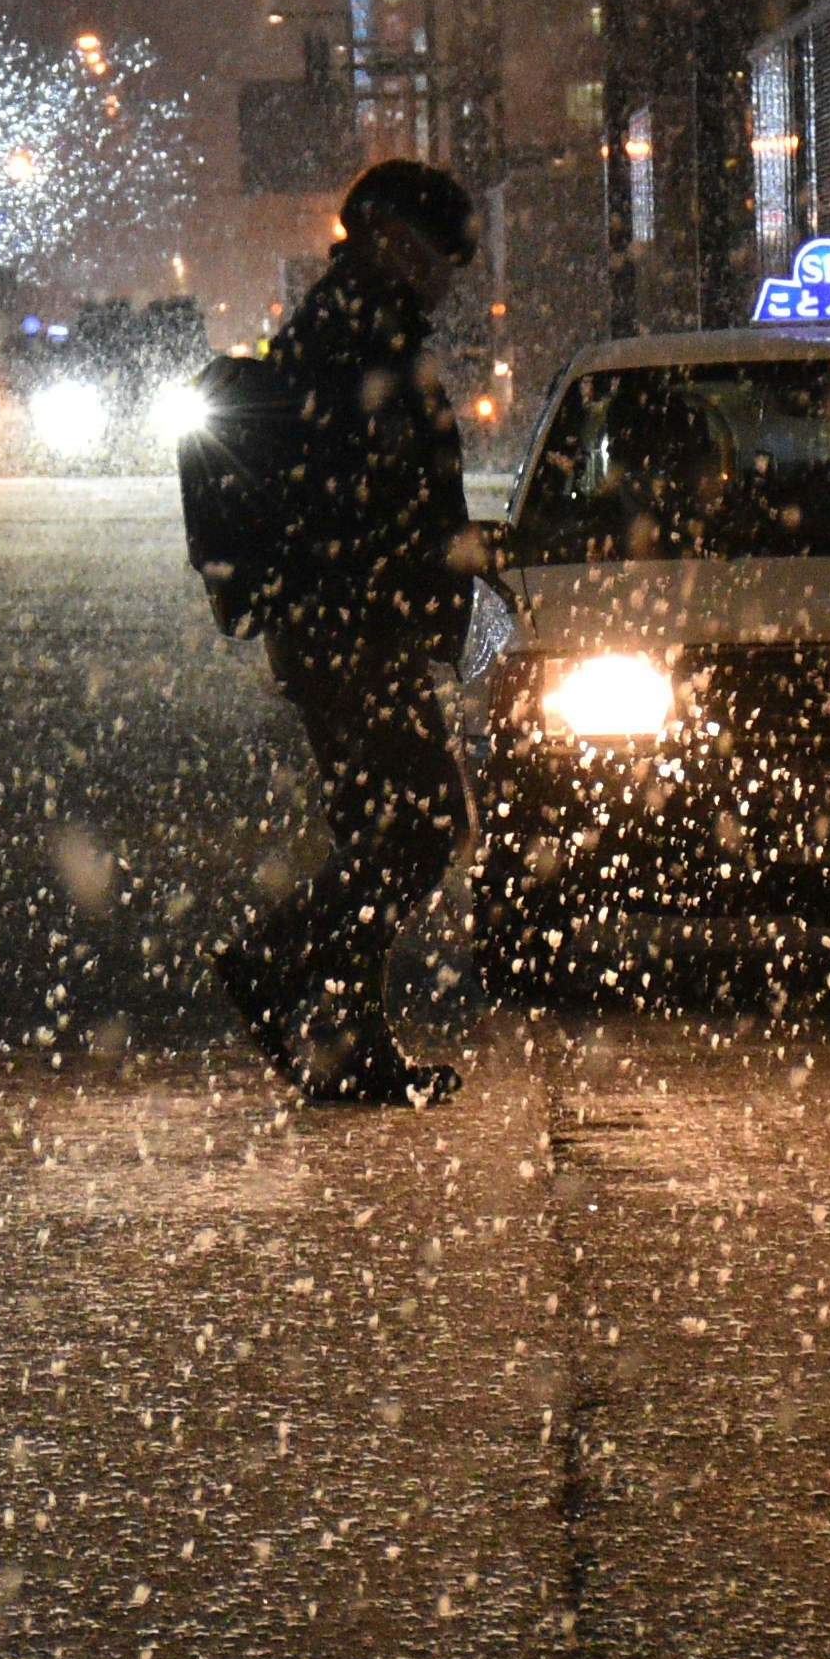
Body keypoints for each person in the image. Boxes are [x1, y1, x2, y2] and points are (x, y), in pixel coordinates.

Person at [209, 157, 489, 1104]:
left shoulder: (359, 325)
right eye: (442, 253)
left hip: (348, 622)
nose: (452, 274)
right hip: (351, 627)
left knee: (382, 829)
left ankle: (351, 1039)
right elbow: (362, 501)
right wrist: (431, 564)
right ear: (391, 241)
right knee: (423, 829)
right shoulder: (352, 336)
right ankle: (272, 966)